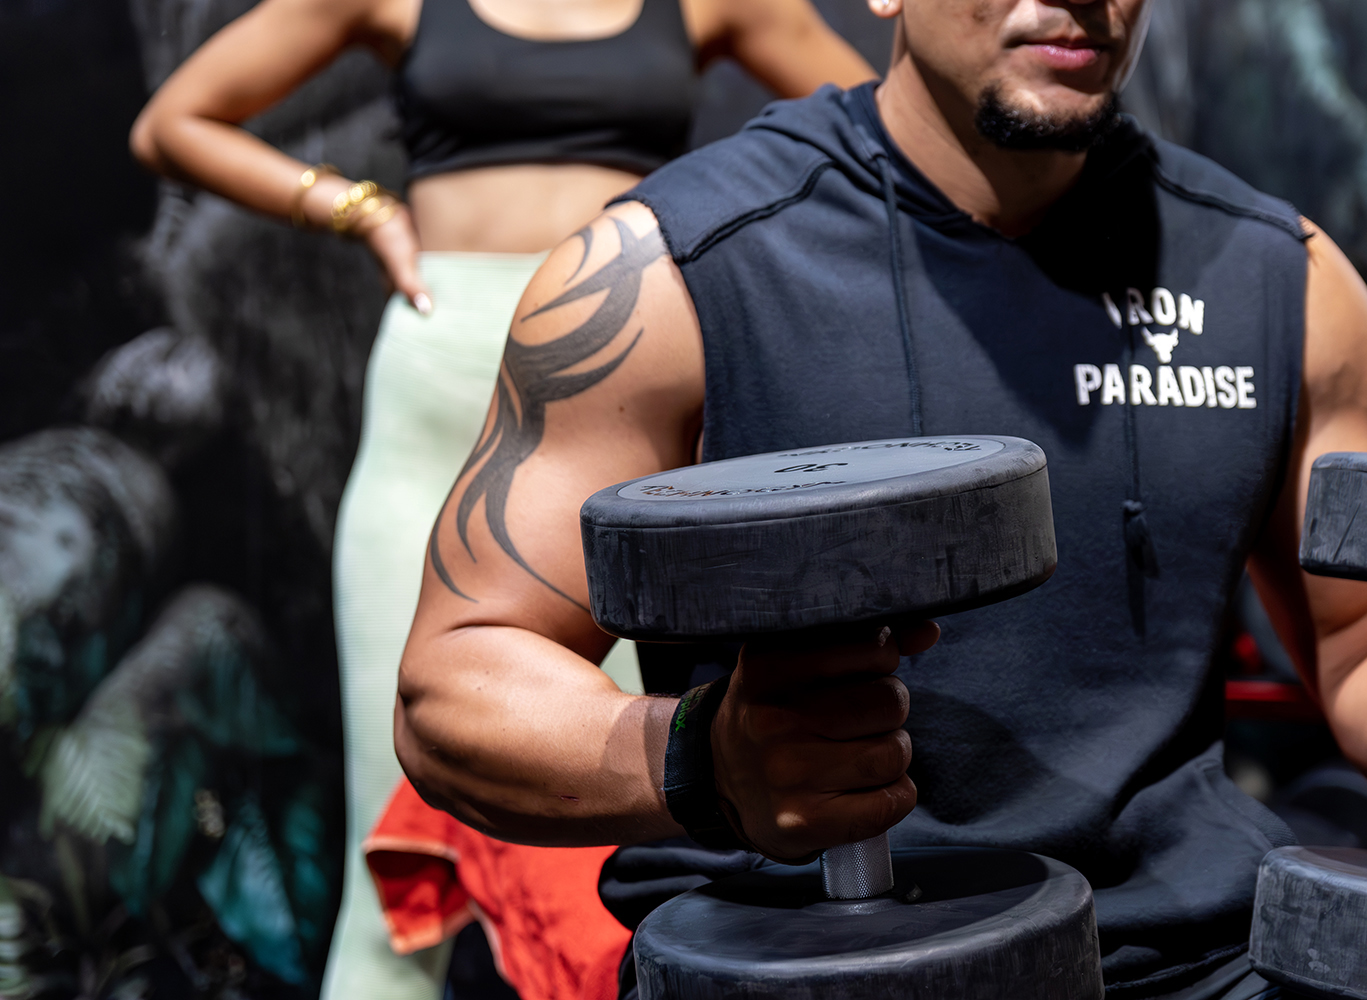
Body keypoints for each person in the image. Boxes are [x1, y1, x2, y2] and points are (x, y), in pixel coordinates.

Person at [393, 0, 1367, 996]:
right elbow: (456, 686)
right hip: (802, 966)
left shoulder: (1282, 279)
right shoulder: (669, 274)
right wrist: (705, 760)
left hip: (1189, 967)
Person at [129, 1, 876, 998]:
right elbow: (172, 124)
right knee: (389, 864)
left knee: (616, 839)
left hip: (619, 411)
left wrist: (738, 257)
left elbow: (876, 131)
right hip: (432, 399)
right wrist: (357, 208)